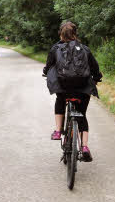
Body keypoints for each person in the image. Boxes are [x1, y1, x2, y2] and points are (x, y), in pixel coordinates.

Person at [42, 21, 102, 162]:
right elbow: (95, 68)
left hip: (64, 88)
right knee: (81, 115)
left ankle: (58, 131)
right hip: (82, 88)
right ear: (75, 33)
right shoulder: (85, 49)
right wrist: (97, 78)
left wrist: (46, 72)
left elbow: (49, 65)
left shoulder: (55, 48)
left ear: (60, 34)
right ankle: (85, 147)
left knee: (60, 100)